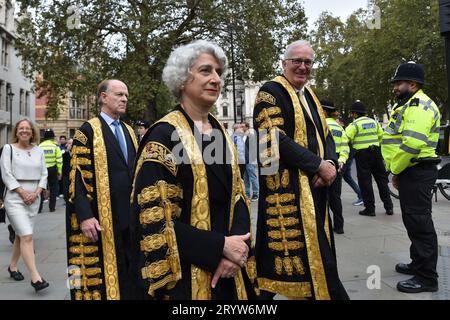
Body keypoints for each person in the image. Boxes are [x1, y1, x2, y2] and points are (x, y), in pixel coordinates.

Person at [130, 40, 255, 300]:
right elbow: (154, 220)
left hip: (231, 271)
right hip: (188, 276)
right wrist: (220, 247)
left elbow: (238, 195)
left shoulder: (220, 132)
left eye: (219, 73)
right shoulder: (163, 136)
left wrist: (237, 246)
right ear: (182, 80)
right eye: (206, 71)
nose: (216, 79)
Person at [253, 40, 348, 300]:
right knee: (283, 264)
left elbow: (326, 135)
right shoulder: (270, 92)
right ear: (284, 63)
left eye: (308, 62)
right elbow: (272, 138)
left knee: (315, 261)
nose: (303, 66)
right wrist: (317, 165)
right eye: (297, 60)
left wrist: (327, 166)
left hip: (315, 189)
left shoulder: (310, 95)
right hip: (288, 193)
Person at [66, 79, 138, 300]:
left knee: (129, 271)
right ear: (103, 97)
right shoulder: (87, 131)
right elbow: (76, 177)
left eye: (126, 95)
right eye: (118, 94)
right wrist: (85, 216)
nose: (124, 99)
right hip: (101, 216)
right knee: (102, 279)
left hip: (128, 215)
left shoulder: (129, 131)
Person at [382, 62, 440, 293]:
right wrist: (398, 169)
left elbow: (413, 143)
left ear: (412, 84)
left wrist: (395, 169)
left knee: (419, 223)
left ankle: (427, 278)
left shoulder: (419, 105)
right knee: (413, 221)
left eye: (399, 83)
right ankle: (418, 264)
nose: (395, 87)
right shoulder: (408, 105)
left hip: (417, 170)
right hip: (411, 170)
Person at [0, 119, 49, 292]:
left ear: (32, 131)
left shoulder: (38, 150)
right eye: (21, 128)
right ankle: (36, 277)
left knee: (22, 236)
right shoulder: (9, 149)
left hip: (34, 198)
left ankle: (12, 267)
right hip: (14, 197)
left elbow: (44, 173)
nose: (24, 131)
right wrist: (22, 193)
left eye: (27, 128)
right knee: (27, 236)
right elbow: (6, 174)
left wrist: (36, 192)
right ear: (16, 131)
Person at [345, 101, 393, 217]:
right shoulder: (374, 122)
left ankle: (370, 209)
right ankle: (389, 207)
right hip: (376, 152)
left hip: (362, 155)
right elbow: (381, 136)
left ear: (355, 114)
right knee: (382, 180)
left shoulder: (354, 125)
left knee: (365, 182)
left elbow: (345, 138)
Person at [322, 100, 349, 234]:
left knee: (322, 197)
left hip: (324, 164)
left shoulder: (321, 124)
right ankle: (339, 226)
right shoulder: (339, 127)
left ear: (324, 111)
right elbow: (345, 145)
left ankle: (324, 227)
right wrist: (342, 160)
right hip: (338, 164)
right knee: (335, 197)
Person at [38, 129, 62, 213]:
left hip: (41, 170)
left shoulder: (39, 146)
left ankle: (39, 208)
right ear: (52, 137)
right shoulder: (55, 146)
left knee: (40, 188)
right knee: (53, 188)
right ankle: (52, 207)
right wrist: (59, 171)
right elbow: (59, 160)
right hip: (52, 169)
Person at [242, 122, 259, 201]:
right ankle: (247, 194)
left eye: (243, 127)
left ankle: (256, 194)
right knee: (246, 179)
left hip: (250, 161)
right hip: (244, 161)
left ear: (247, 127)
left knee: (253, 178)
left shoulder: (251, 136)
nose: (241, 128)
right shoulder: (242, 137)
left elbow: (254, 149)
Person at [61, 138, 73, 204]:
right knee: (66, 188)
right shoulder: (64, 152)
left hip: (73, 174)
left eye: (71, 143)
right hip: (66, 173)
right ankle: (66, 200)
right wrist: (67, 151)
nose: (70, 145)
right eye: (69, 143)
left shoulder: (77, 152)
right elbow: (62, 159)